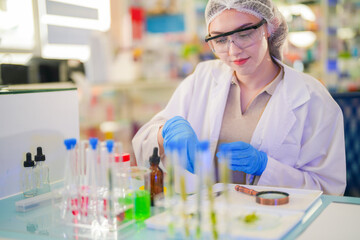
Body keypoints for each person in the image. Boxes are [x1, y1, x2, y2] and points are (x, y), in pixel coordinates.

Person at [132, 0, 346, 195]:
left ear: (269, 28)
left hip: (276, 225)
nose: (233, 50)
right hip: (208, 221)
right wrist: (165, 132)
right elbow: (142, 141)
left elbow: (328, 190)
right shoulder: (203, 78)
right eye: (220, 39)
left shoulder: (312, 99)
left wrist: (266, 167)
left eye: (244, 34)